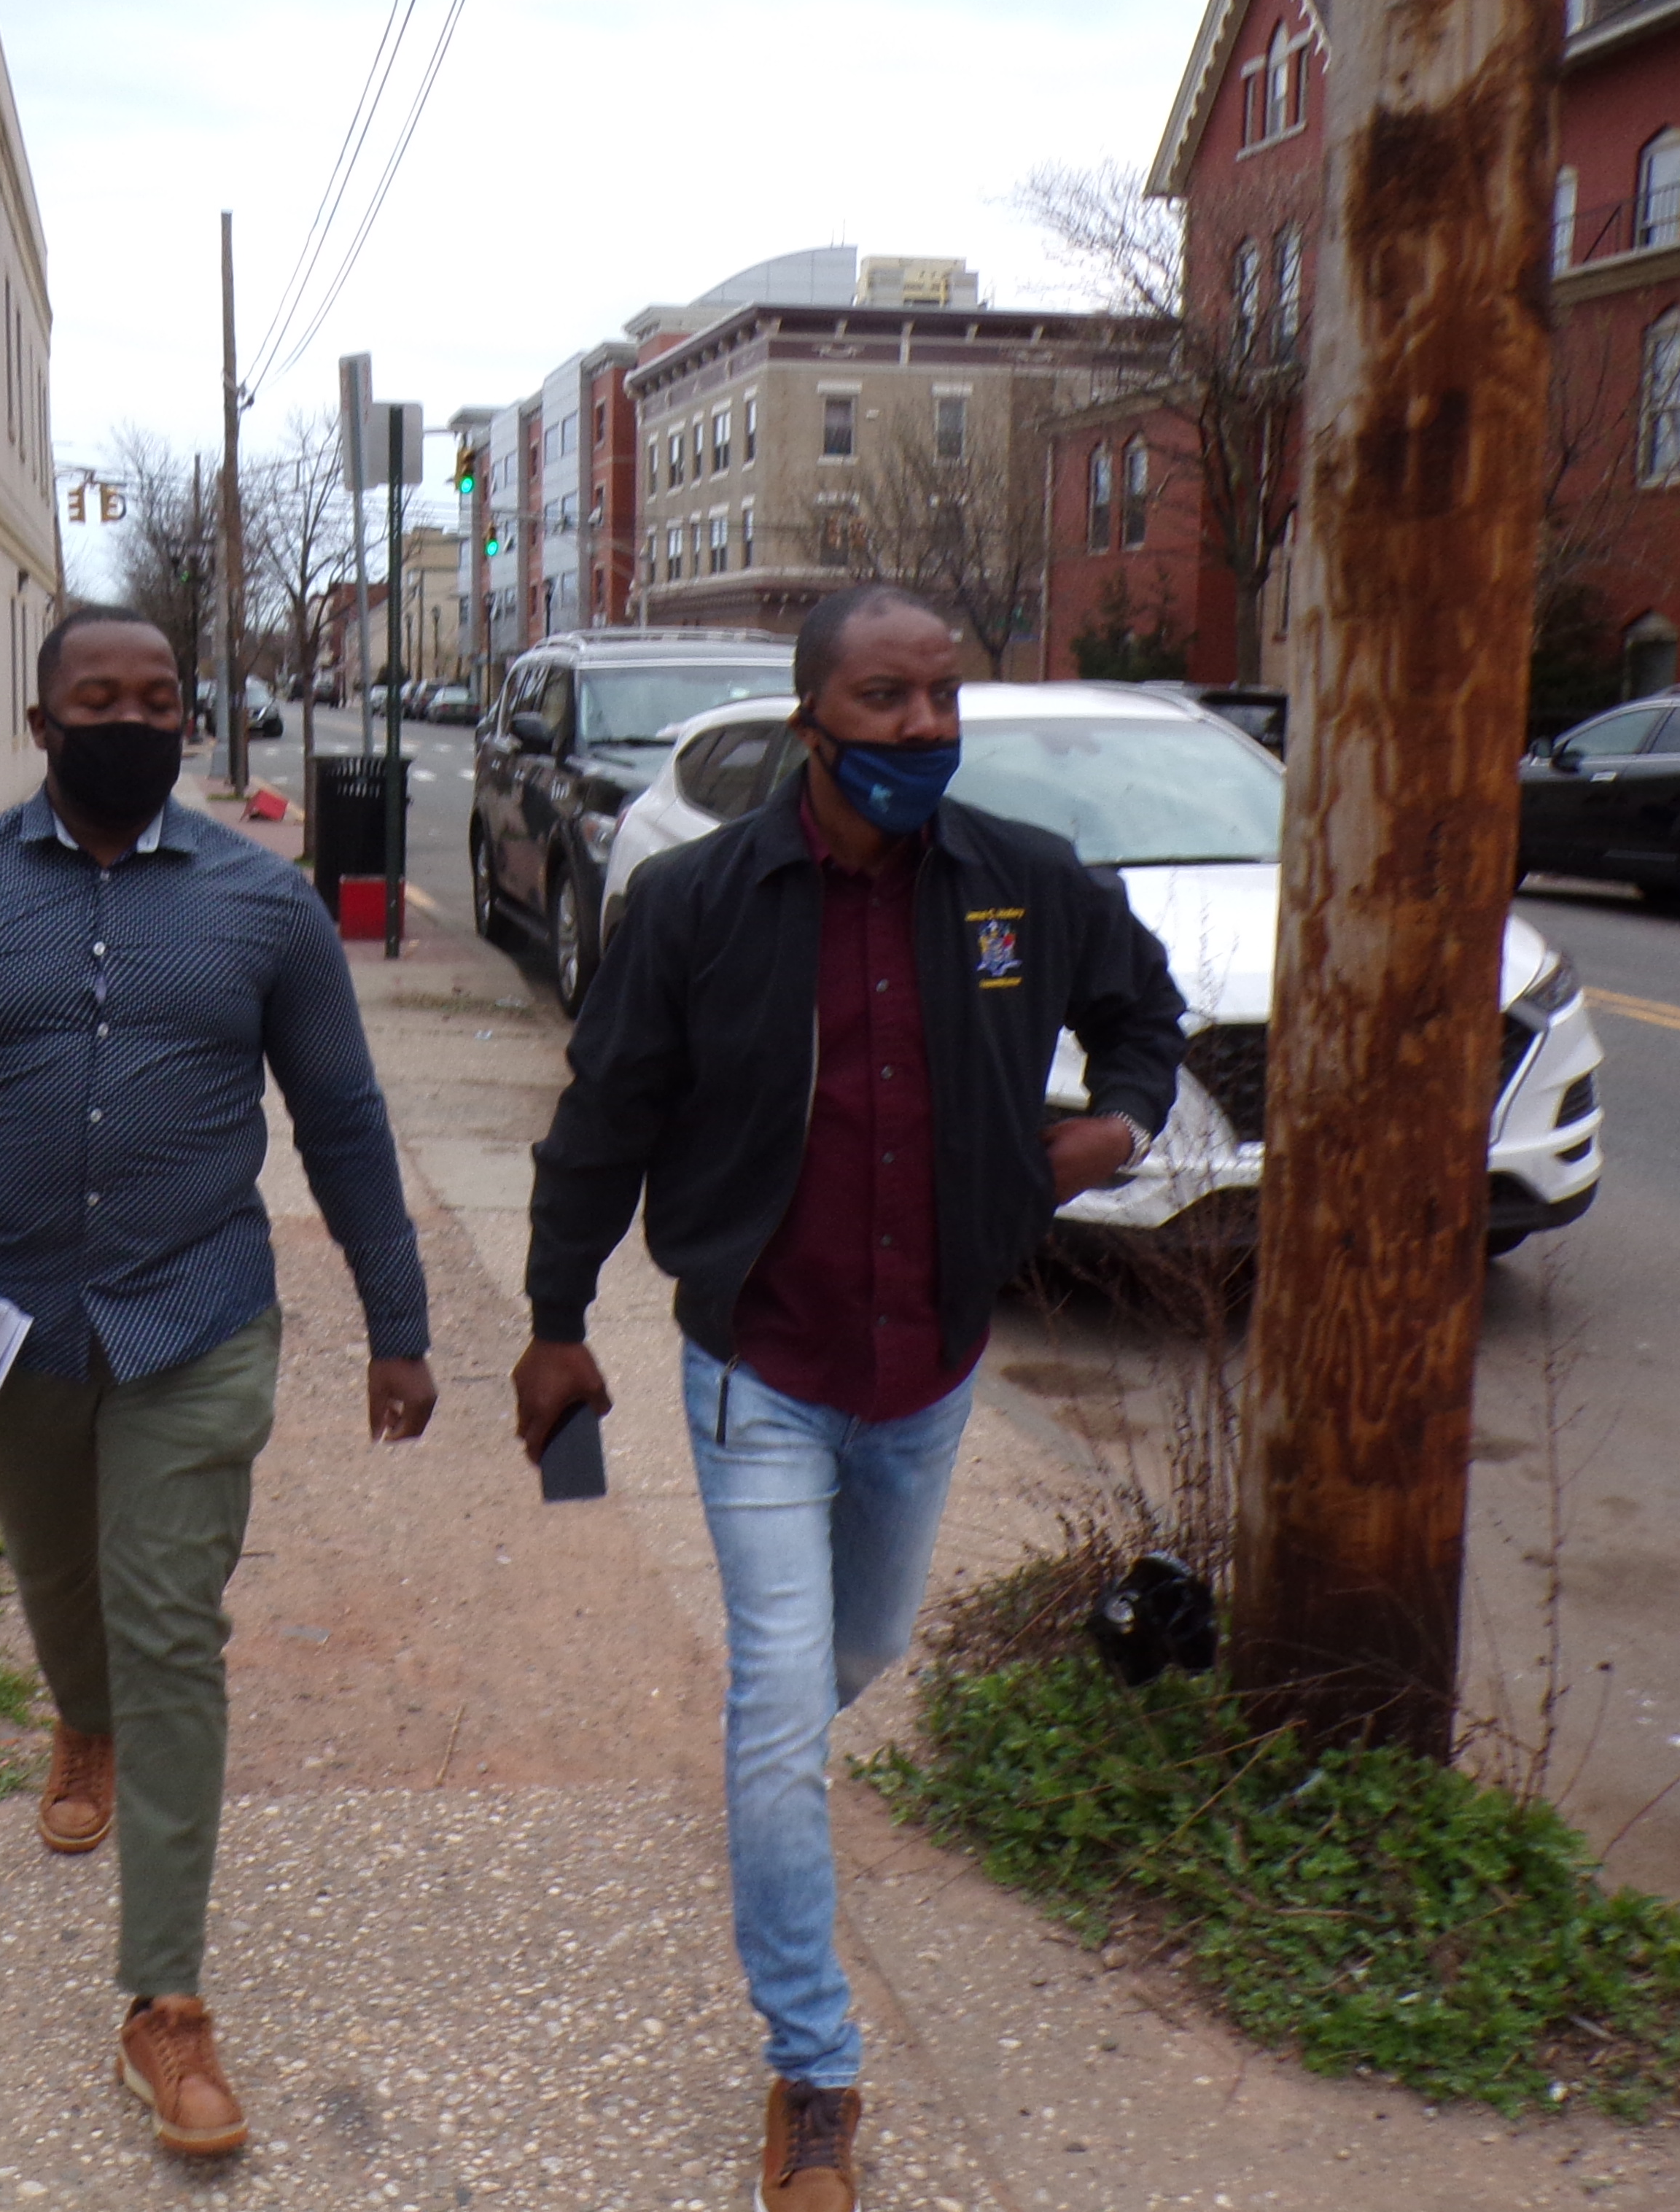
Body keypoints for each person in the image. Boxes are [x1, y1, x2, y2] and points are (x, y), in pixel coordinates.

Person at [510, 585, 1185, 2212]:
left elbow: (1142, 1017)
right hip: (762, 1361)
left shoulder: (1023, 884)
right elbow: (606, 1117)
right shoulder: (692, 904)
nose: (921, 730)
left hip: (930, 1365)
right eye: (887, 701)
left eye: (943, 699)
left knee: (849, 1659)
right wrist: (554, 1317)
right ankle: (814, 2074)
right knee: (777, 1714)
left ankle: (771, 1811)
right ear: (816, 716)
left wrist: (1124, 1125)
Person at [0, 604, 435, 2162]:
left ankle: (165, 2006)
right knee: (59, 1574)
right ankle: (73, 1723)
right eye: (102, 697)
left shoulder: (263, 909)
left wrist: (398, 1322)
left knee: (170, 1630)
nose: (135, 720)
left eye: (160, 698)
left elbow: (342, 1124)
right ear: (41, 724)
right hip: (1, 1329)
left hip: (196, 1320)